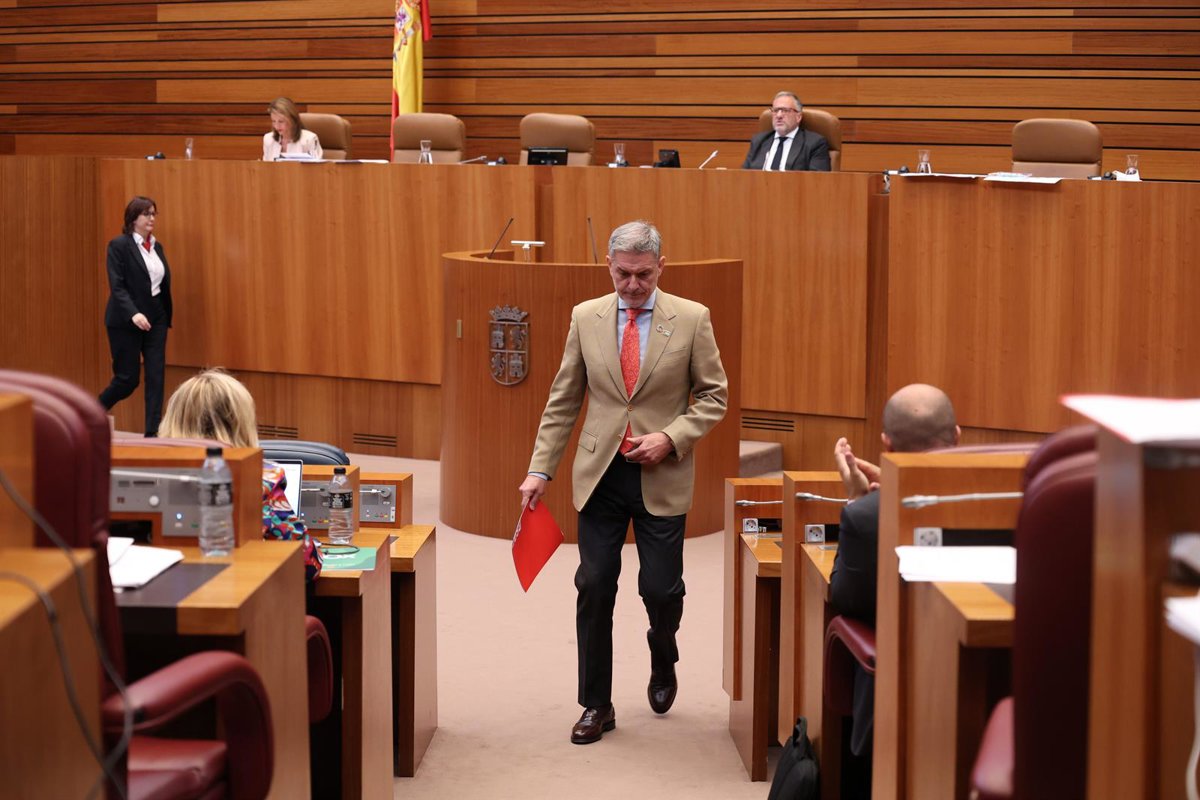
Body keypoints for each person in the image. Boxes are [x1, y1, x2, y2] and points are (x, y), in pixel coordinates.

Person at [518, 220, 729, 744]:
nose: (633, 285)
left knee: (660, 590)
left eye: (643, 275)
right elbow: (564, 399)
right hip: (600, 475)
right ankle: (597, 704)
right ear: (609, 266)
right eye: (623, 274)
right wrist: (540, 469)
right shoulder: (585, 316)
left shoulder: (692, 318)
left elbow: (714, 397)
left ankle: (663, 652)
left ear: (661, 267)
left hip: (662, 473)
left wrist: (671, 437)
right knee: (594, 585)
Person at [828, 383, 960, 761]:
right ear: (957, 436)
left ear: (886, 445)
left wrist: (858, 501)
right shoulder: (1008, 500)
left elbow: (846, 598)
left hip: (899, 695)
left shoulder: (867, 516)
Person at [158, 368, 323, 582]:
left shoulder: (145, 473)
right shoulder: (258, 479)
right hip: (231, 594)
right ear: (241, 423)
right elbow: (305, 564)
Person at [99, 196, 173, 436]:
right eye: (146, 214)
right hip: (125, 320)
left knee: (156, 377)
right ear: (133, 218)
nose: (151, 218)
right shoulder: (119, 246)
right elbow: (117, 286)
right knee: (127, 380)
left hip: (156, 318)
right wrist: (134, 313)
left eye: (153, 213)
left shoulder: (157, 247)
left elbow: (160, 284)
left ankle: (152, 434)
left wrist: (162, 313)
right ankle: (93, 411)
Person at [741, 91, 831, 172]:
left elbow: (817, 181)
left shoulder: (815, 144)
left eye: (785, 110)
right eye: (775, 110)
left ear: (798, 117)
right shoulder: (758, 141)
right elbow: (744, 176)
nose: (779, 115)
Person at [262, 97, 323, 161]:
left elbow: (317, 166)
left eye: (281, 121)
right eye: (273, 121)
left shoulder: (309, 139)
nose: (276, 126)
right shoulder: (268, 139)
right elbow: (265, 165)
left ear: (292, 120)